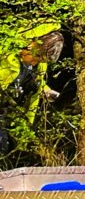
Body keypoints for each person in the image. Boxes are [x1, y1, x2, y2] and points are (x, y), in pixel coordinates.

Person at [1, 22, 64, 156]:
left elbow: (36, 83)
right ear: (30, 46)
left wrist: (45, 90)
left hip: (10, 114)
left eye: (42, 61)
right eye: (37, 57)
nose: (35, 63)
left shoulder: (39, 66)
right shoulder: (5, 54)